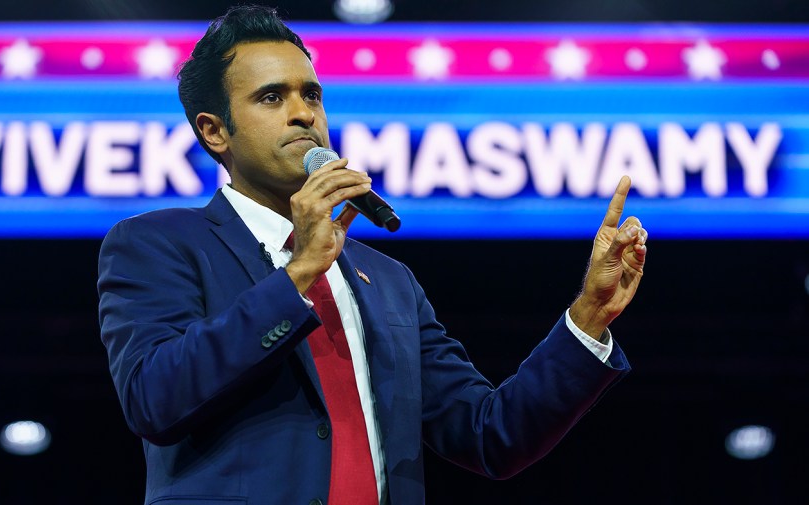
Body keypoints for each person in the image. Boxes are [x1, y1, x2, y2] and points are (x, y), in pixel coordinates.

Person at [97, 5, 648, 505]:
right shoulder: (157, 243)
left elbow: (490, 437)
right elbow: (155, 398)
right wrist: (300, 271)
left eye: (310, 95)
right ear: (215, 131)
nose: (303, 114)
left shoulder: (387, 281)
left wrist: (589, 315)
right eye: (272, 97)